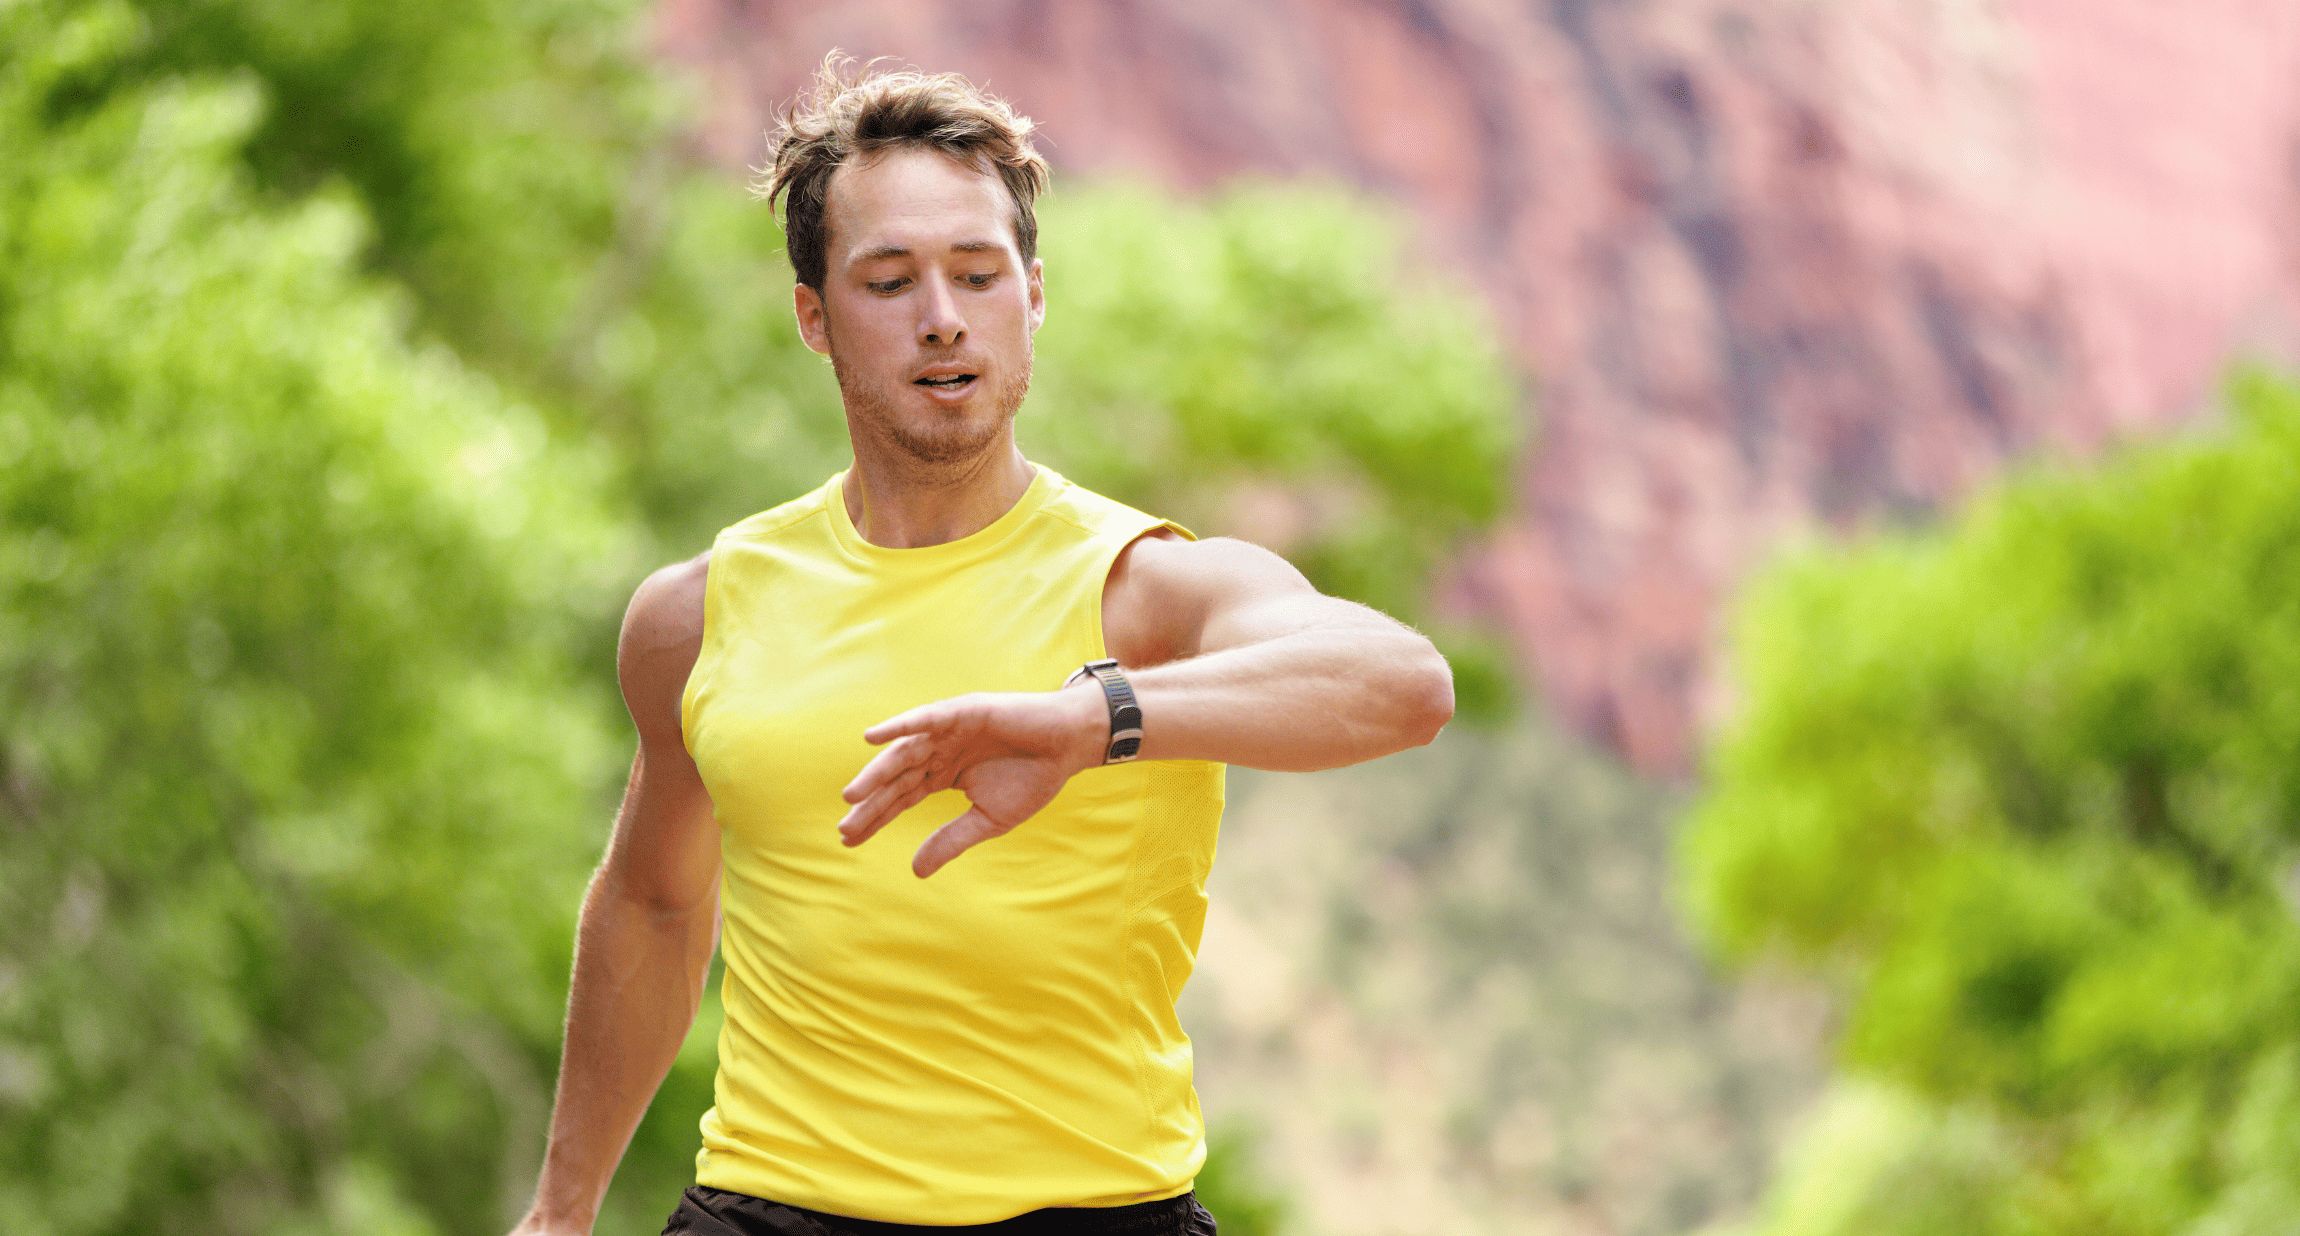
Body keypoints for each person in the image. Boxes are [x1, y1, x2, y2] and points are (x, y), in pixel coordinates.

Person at [508, 51, 1455, 1236]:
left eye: (976, 273)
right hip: (768, 1208)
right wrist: (559, 1208)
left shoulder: (1140, 589)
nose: (943, 318)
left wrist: (1091, 720)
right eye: (889, 280)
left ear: (1034, 295)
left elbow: (1404, 685)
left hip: (1092, 1215)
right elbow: (652, 906)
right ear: (814, 315)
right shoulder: (700, 612)